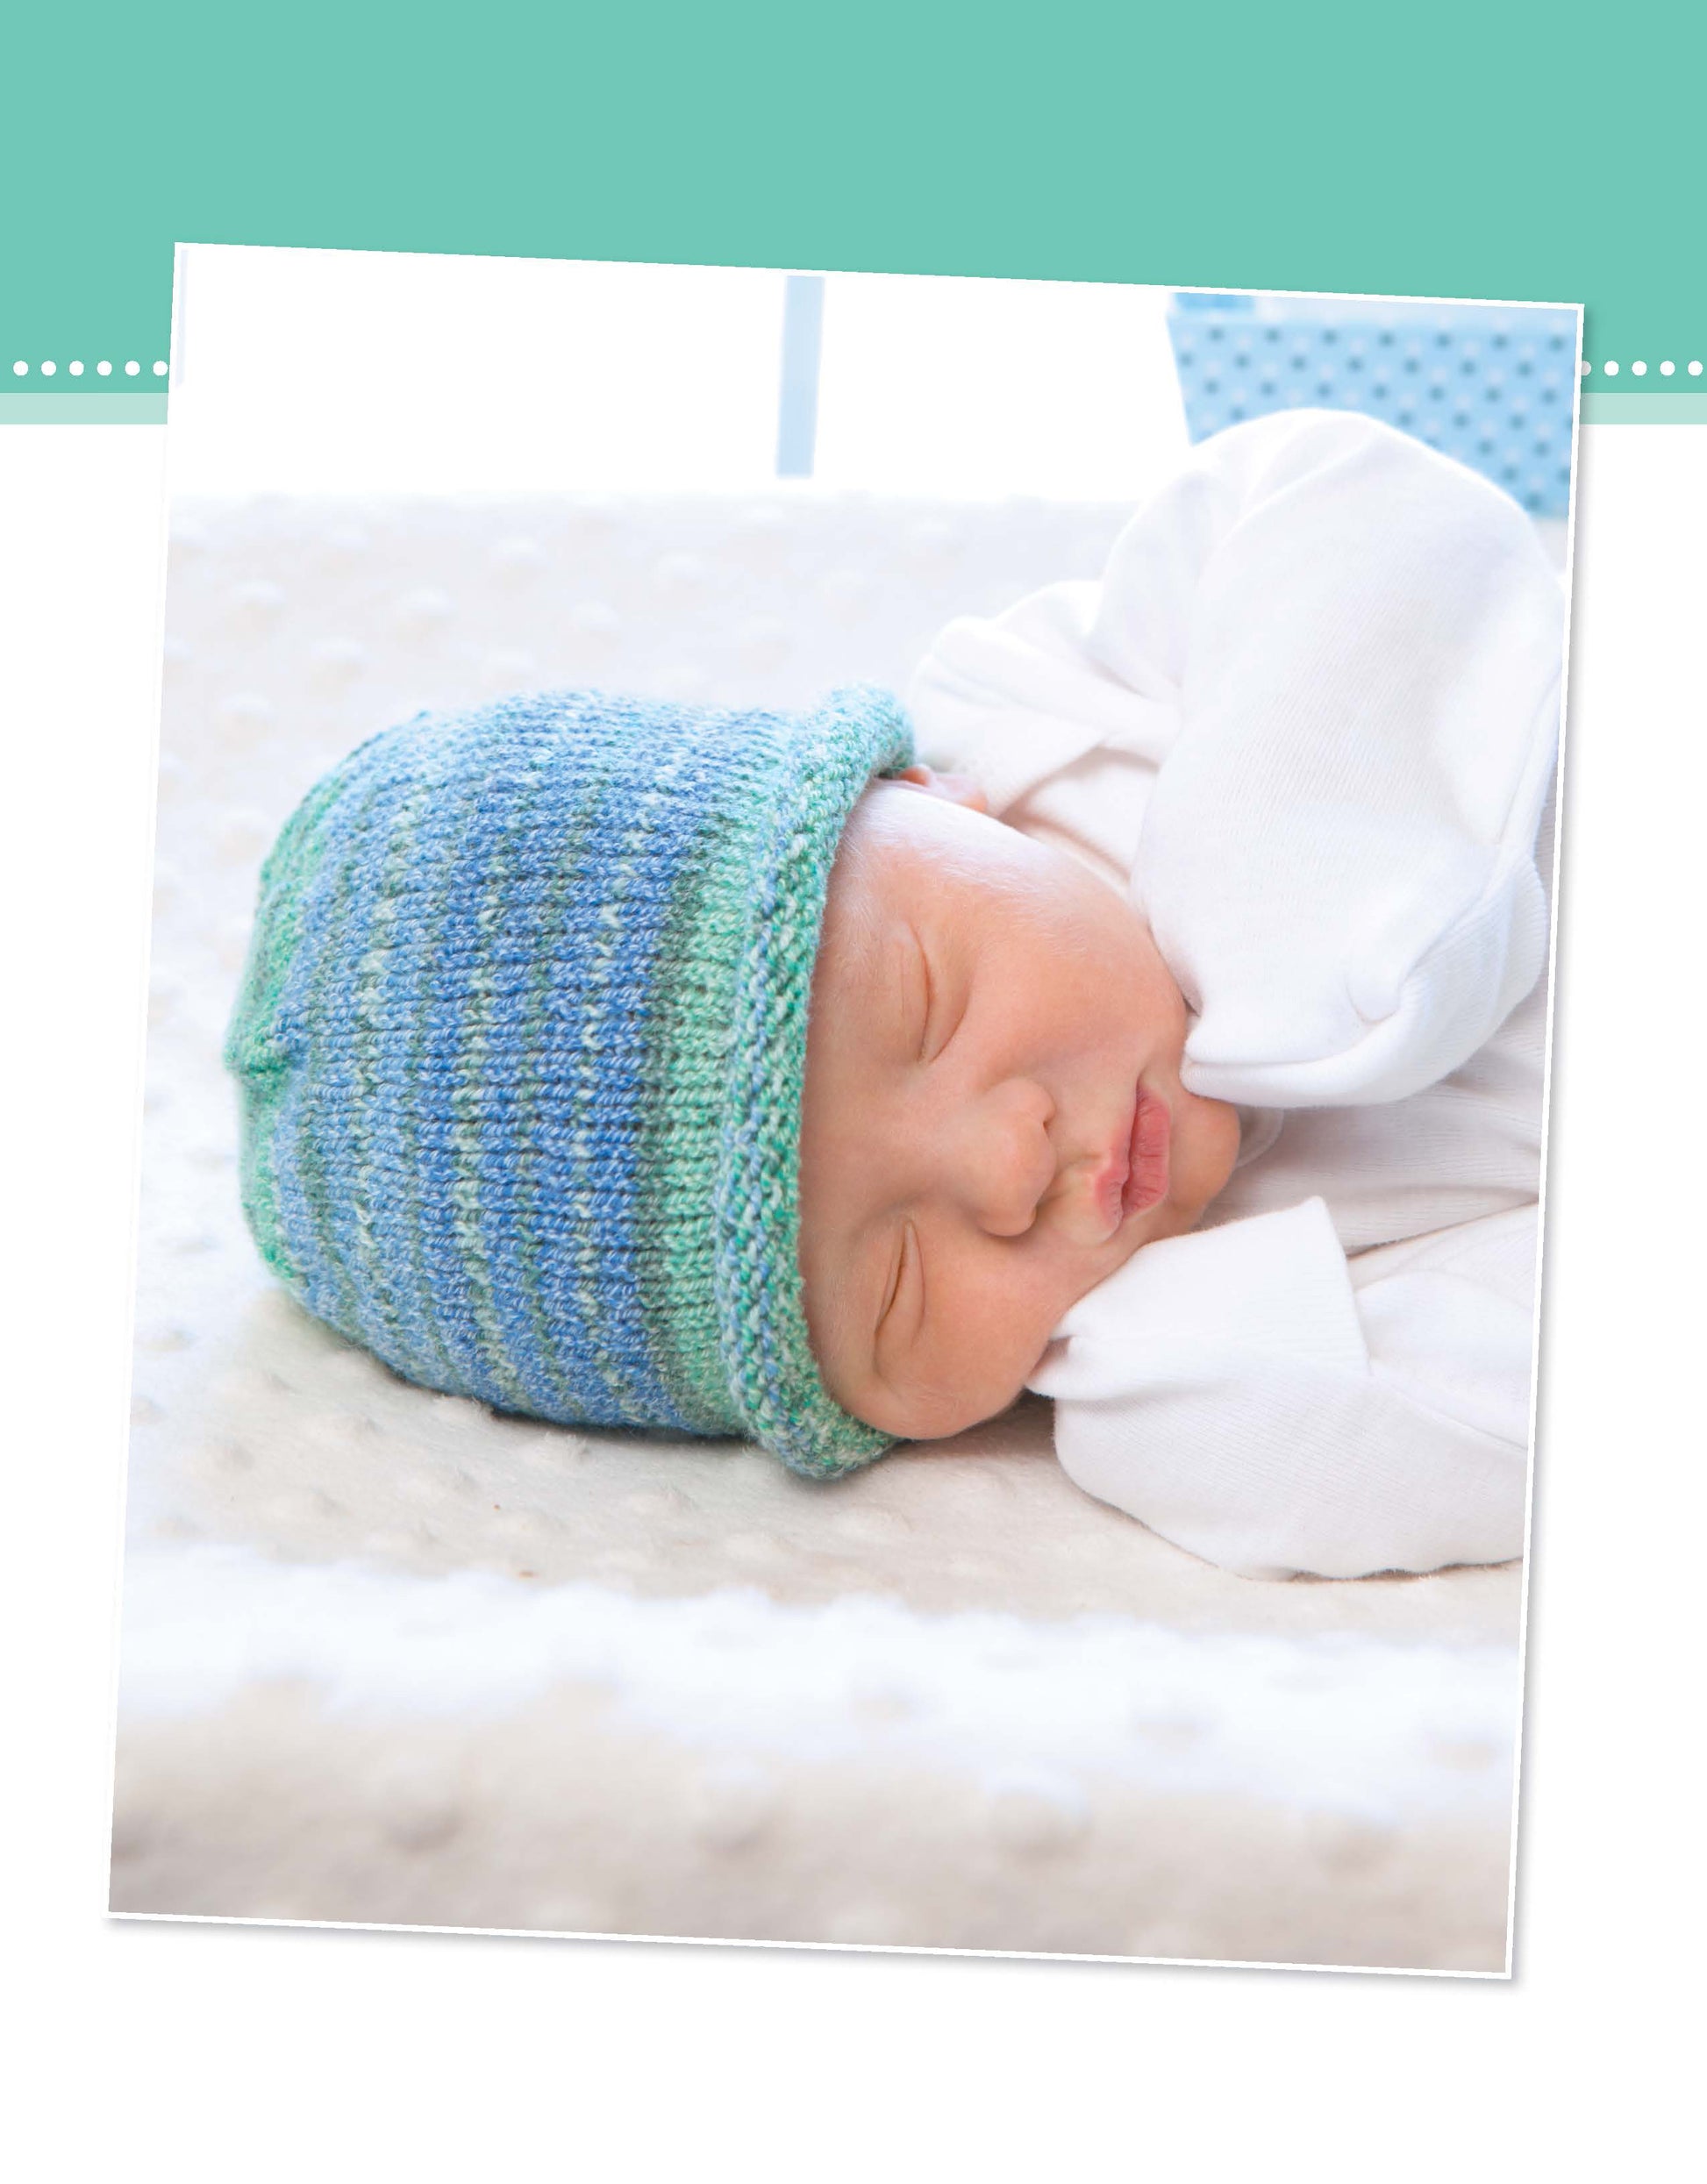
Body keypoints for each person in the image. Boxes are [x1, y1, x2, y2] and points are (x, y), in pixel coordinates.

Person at [227, 410, 1562, 1581]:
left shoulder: (1070, 715)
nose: (1005, 1166)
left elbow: (1357, 500)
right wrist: (1185, 1405)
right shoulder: (1185, 1344)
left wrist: (1313, 913)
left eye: (927, 1004)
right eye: (900, 1292)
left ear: (928, 796)